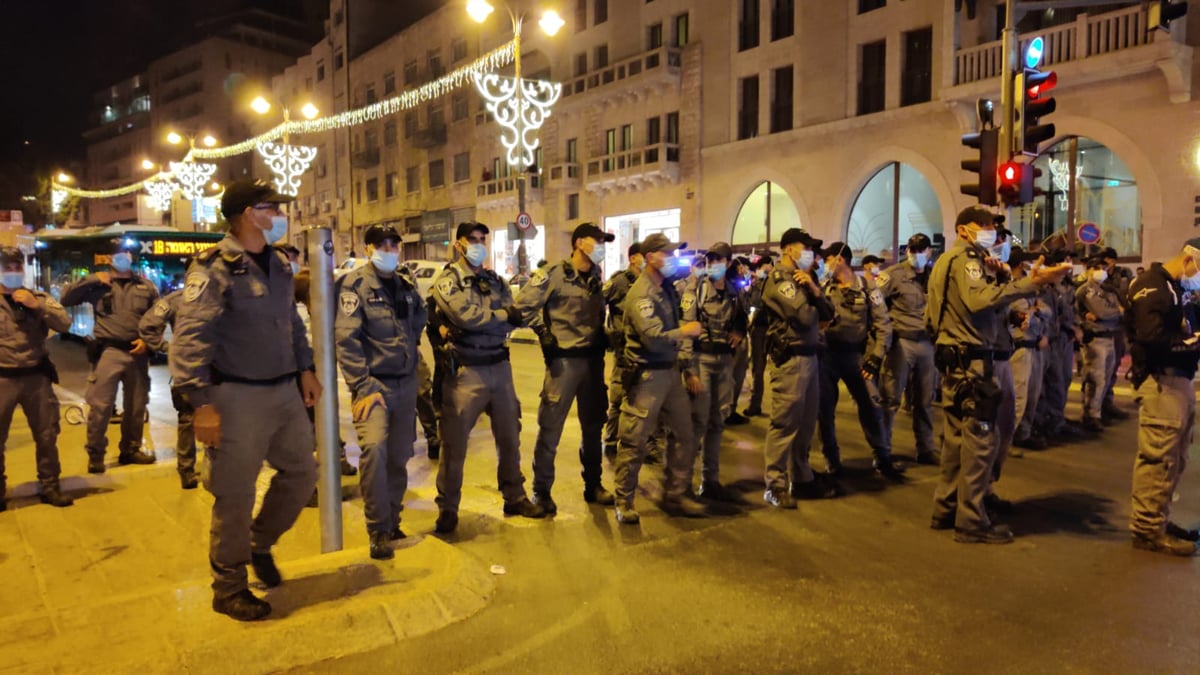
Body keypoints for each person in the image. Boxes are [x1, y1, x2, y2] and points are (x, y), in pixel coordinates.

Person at [171, 179, 322, 621]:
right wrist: (200, 403)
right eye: (270, 207)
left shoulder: (277, 264)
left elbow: (290, 322)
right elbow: (191, 338)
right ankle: (229, 586)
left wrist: (305, 367)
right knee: (234, 494)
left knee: (302, 473)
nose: (279, 215)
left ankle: (259, 543)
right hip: (235, 396)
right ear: (245, 214)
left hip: (283, 391)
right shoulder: (214, 267)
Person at [926, 206, 1071, 544]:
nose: (992, 231)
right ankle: (972, 521)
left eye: (994, 226)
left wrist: (1006, 281)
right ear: (964, 230)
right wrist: (1029, 283)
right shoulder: (967, 261)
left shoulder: (958, 261)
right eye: (986, 225)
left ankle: (947, 507)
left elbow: (965, 311)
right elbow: (978, 302)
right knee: (980, 440)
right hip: (975, 363)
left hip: (960, 359)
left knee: (957, 442)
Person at [430, 222, 545, 534]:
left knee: (510, 437)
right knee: (454, 446)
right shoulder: (447, 281)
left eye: (483, 239)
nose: (478, 244)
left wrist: (498, 320)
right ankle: (448, 509)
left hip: (500, 367)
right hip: (466, 371)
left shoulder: (495, 280)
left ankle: (515, 496)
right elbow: (465, 317)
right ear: (459, 244)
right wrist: (502, 318)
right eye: (473, 239)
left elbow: (512, 317)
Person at [334, 223, 427, 560]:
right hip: (373, 386)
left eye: (394, 244)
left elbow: (419, 319)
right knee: (374, 452)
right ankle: (376, 528)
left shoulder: (404, 284)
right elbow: (346, 339)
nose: (390, 250)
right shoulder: (354, 285)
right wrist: (362, 384)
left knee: (400, 457)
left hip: (405, 382)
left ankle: (392, 521)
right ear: (369, 247)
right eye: (383, 244)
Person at [514, 223, 617, 513]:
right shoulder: (553, 275)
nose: (601, 247)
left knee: (593, 427)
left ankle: (593, 485)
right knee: (550, 429)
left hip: (593, 364)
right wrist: (543, 332)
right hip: (564, 363)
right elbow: (522, 307)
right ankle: (542, 491)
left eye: (604, 242)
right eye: (597, 241)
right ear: (579, 242)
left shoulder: (596, 277)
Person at [612, 233, 706, 523]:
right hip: (647, 375)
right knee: (634, 440)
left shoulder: (666, 289)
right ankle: (623, 501)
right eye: (666, 253)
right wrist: (685, 331)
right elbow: (653, 338)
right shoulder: (641, 293)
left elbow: (671, 325)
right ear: (651, 256)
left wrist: (688, 367)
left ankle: (676, 494)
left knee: (684, 435)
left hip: (670, 372)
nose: (672, 258)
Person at [1125, 241, 1200, 556]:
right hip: (1161, 379)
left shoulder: (1176, 288)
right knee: (1159, 458)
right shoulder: (1152, 286)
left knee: (1176, 459)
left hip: (1179, 379)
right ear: (1189, 259)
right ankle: (1147, 529)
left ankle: (1158, 518)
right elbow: (1152, 337)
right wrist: (1194, 341)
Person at [61, 238, 159, 473]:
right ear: (108, 258)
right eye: (117, 253)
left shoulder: (147, 287)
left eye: (126, 252)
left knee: (136, 406)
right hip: (109, 351)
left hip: (137, 352)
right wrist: (94, 278)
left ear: (132, 256)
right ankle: (96, 455)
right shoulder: (97, 286)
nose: (122, 256)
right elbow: (66, 299)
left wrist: (148, 341)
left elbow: (157, 318)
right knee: (101, 407)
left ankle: (131, 449)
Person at [760, 228, 836, 508]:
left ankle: (801, 478)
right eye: (805, 247)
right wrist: (816, 302)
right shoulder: (781, 279)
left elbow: (829, 313)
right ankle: (775, 485)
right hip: (790, 358)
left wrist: (815, 290)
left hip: (811, 356)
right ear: (789, 249)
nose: (811, 254)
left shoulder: (806, 280)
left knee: (805, 423)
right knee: (784, 424)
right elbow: (806, 317)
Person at [816, 242, 904, 480]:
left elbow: (883, 324)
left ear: (839, 260)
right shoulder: (823, 287)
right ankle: (832, 461)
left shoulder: (867, 287)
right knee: (824, 411)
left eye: (828, 260)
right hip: (827, 357)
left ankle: (883, 457)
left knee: (872, 407)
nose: (825, 265)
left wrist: (875, 358)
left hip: (857, 356)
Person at [0, 246, 74, 510]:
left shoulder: (39, 297)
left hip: (36, 378)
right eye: (6, 267)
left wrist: (37, 306)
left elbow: (65, 323)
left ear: (23, 269)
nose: (12, 272)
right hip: (3, 379)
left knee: (46, 436)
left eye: (16, 267)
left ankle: (50, 487)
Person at [683, 241, 747, 500]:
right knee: (697, 423)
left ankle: (710, 480)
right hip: (702, 360)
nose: (713, 265)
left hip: (724, 362)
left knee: (718, 422)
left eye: (718, 261)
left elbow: (742, 319)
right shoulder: (695, 289)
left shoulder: (734, 292)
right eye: (710, 261)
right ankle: (684, 483)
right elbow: (686, 332)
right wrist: (689, 370)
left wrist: (739, 332)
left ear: (728, 263)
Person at [877, 233, 938, 465]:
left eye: (920, 250)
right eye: (912, 250)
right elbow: (876, 302)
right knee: (890, 398)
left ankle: (925, 448)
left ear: (929, 251)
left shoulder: (934, 276)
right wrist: (886, 332)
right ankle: (883, 450)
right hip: (902, 342)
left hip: (927, 342)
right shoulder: (894, 275)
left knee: (924, 400)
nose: (916, 254)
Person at [137, 289, 199, 489]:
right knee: (189, 416)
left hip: (215, 365)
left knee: (206, 418)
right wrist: (167, 347)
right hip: (192, 366)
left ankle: (190, 469)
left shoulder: (224, 293)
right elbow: (148, 326)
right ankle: (187, 469)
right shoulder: (176, 300)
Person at [602, 242, 645, 459]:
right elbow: (598, 300)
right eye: (643, 256)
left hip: (643, 351)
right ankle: (610, 441)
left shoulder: (648, 282)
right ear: (634, 258)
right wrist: (608, 333)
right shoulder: (620, 281)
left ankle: (635, 442)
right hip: (623, 351)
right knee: (618, 398)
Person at [1008, 251, 1051, 452]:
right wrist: (1034, 312)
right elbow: (1021, 316)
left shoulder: (1031, 287)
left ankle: (1023, 433)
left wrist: (1036, 311)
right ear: (1020, 264)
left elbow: (1046, 311)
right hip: (1020, 348)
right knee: (1018, 396)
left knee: (1033, 395)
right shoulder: (1013, 287)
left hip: (1035, 346)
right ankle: (1005, 439)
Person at [1076, 255, 1123, 432]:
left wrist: (1117, 312)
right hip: (1095, 338)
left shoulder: (1105, 290)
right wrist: (1116, 312)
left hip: (1109, 336)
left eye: (1103, 268)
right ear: (1088, 270)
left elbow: (1120, 311)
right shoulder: (1086, 290)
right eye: (1096, 268)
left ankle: (1098, 411)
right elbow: (1103, 312)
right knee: (1096, 379)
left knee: (1106, 377)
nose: (1101, 271)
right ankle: (1090, 415)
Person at [1100, 247, 1134, 422]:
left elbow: (1127, 293)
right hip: (1104, 327)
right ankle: (1097, 408)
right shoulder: (1097, 275)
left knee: (1113, 365)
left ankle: (1107, 402)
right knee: (1099, 370)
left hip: (1119, 326)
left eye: (1107, 261)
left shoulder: (1124, 273)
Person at [742, 256, 774, 418]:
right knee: (758, 368)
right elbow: (750, 304)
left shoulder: (774, 283)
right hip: (759, 330)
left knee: (775, 369)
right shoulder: (755, 285)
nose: (759, 271)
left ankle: (777, 406)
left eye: (762, 267)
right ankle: (755, 404)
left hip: (771, 330)